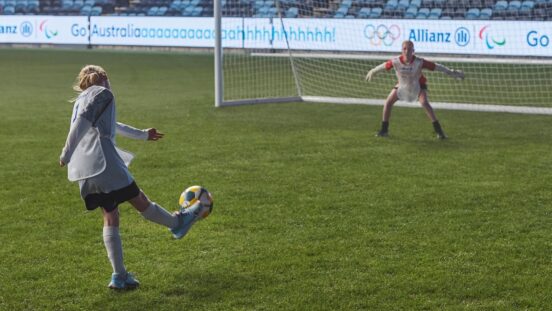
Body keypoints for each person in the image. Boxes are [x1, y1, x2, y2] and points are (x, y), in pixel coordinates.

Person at [59, 65, 204, 290]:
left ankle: (119, 276)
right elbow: (81, 125)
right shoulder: (102, 93)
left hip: (84, 170)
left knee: (110, 215)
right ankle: (178, 223)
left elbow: (110, 125)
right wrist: (64, 153)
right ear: (104, 78)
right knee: (139, 200)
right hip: (103, 162)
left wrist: (143, 134)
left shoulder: (82, 99)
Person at [365, 40, 464, 139]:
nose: (407, 51)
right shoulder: (396, 61)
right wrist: (374, 71)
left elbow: (436, 66)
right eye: (404, 49)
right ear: (401, 50)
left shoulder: (419, 62)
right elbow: (384, 66)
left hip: (419, 85)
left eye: (409, 49)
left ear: (413, 51)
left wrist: (451, 72)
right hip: (403, 85)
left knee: (424, 103)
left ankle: (439, 132)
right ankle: (384, 130)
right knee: (388, 102)